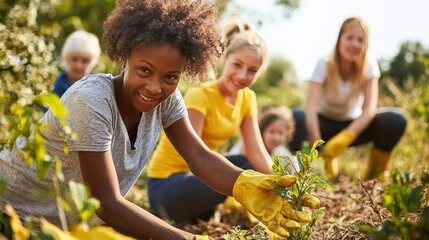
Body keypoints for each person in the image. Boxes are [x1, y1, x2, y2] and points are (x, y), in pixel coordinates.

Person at [0, 1, 319, 239]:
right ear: (125, 56)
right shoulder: (92, 100)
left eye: (170, 76)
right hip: (12, 215)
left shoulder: (168, 99)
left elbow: (199, 156)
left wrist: (244, 184)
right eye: (144, 70)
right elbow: (107, 203)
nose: (155, 87)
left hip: (70, 225)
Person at [146, 18, 275, 224]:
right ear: (224, 59)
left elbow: (256, 151)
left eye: (252, 71)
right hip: (167, 188)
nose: (242, 75)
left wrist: (283, 187)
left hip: (199, 184)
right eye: (237, 65)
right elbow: (194, 155)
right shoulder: (202, 94)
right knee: (242, 164)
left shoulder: (247, 98)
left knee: (248, 163)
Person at [289, 16, 407, 180]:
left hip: (352, 125)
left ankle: (373, 178)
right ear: (340, 39)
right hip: (323, 125)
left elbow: (369, 110)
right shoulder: (325, 63)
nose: (355, 44)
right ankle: (300, 174)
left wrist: (345, 138)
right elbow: (310, 106)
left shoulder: (370, 66)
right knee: (297, 117)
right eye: (350, 38)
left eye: (360, 40)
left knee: (396, 120)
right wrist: (320, 147)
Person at [229, 105, 299, 174]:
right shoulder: (250, 145)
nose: (276, 138)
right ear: (261, 132)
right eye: (272, 132)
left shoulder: (281, 152)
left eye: (280, 133)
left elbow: (293, 164)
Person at [53, 30, 101, 97]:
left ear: (92, 62)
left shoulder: (96, 86)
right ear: (66, 58)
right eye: (74, 59)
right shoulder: (57, 85)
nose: (79, 66)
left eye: (85, 61)